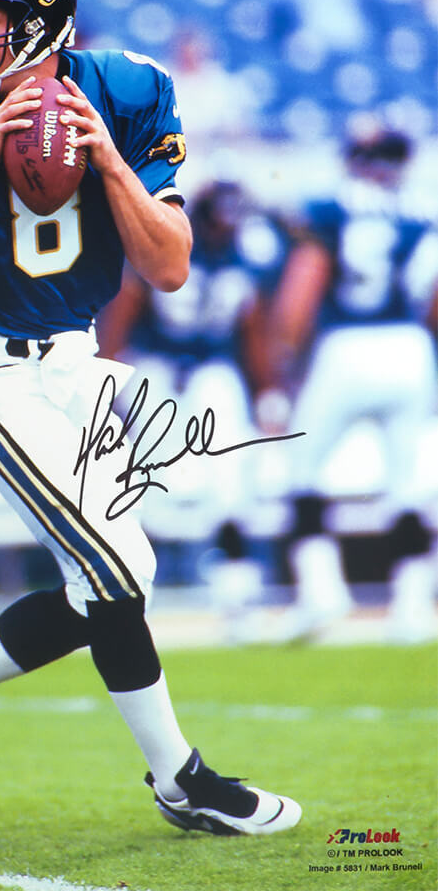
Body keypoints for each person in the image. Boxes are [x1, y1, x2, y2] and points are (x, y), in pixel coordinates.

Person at [0, 0, 301, 836]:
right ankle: (181, 780)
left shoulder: (127, 91)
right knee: (114, 569)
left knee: (118, 574)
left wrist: (107, 163)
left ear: (40, 23)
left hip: (77, 361)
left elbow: (168, 267)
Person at [97, 180, 292, 641]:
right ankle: (133, 601)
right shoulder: (166, 248)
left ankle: (235, 598)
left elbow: (252, 329)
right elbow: (123, 314)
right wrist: (106, 384)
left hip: (211, 373)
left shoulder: (242, 260)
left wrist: (267, 391)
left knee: (231, 485)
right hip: (157, 368)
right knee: (142, 486)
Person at [269, 128, 438, 643]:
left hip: (346, 346)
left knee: (301, 469)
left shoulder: (332, 207)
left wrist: (285, 363)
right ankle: (410, 607)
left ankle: (322, 592)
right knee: (407, 483)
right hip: (410, 346)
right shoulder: (420, 210)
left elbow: (304, 285)